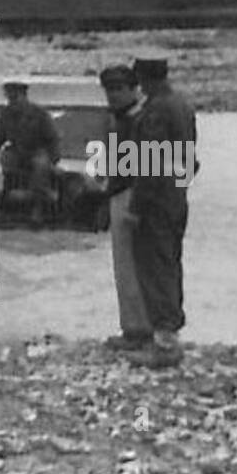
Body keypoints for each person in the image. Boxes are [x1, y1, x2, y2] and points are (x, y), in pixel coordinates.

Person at [124, 56, 197, 368]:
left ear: (143, 78)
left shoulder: (155, 111)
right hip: (176, 196)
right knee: (170, 262)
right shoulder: (182, 105)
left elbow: (150, 163)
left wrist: (137, 207)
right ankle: (170, 333)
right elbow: (190, 159)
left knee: (154, 266)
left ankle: (164, 342)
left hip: (156, 199)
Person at [97, 65, 150, 350]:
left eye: (118, 89)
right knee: (124, 266)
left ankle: (139, 329)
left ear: (133, 89)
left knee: (133, 266)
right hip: (119, 193)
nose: (113, 95)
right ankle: (133, 325)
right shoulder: (118, 120)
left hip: (132, 196)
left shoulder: (138, 121)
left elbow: (143, 167)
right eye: (109, 90)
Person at [0, 79, 60, 223]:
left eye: (15, 97)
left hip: (38, 150)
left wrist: (53, 161)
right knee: (4, 159)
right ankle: (2, 200)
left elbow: (53, 139)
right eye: (9, 98)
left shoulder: (40, 114)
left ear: (24, 96)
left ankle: (38, 206)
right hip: (17, 151)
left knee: (40, 164)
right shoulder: (5, 114)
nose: (12, 102)